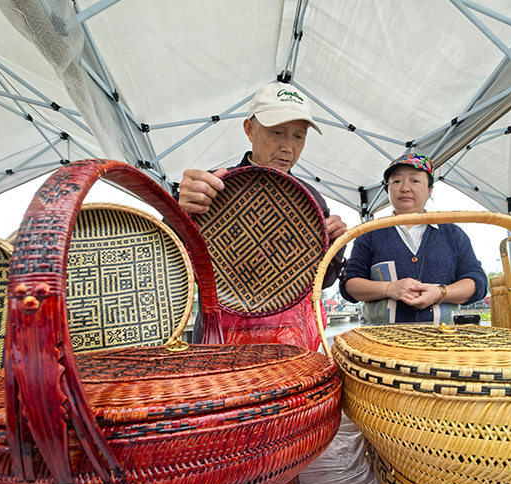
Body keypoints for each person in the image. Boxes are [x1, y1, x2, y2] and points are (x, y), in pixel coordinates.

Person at [177, 81, 348, 348]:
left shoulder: (311, 200)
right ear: (249, 129)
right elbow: (169, 260)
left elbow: (321, 282)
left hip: (291, 339)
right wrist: (178, 211)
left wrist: (335, 247)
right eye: (277, 132)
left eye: (298, 136)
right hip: (220, 337)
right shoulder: (213, 187)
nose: (288, 147)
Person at [340, 153, 487, 325]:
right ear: (388, 189)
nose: (405, 188)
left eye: (415, 180)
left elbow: (477, 282)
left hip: (445, 337)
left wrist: (440, 293)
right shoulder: (370, 233)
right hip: (378, 338)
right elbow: (349, 284)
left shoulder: (452, 234)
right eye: (396, 181)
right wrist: (390, 288)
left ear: (430, 189)